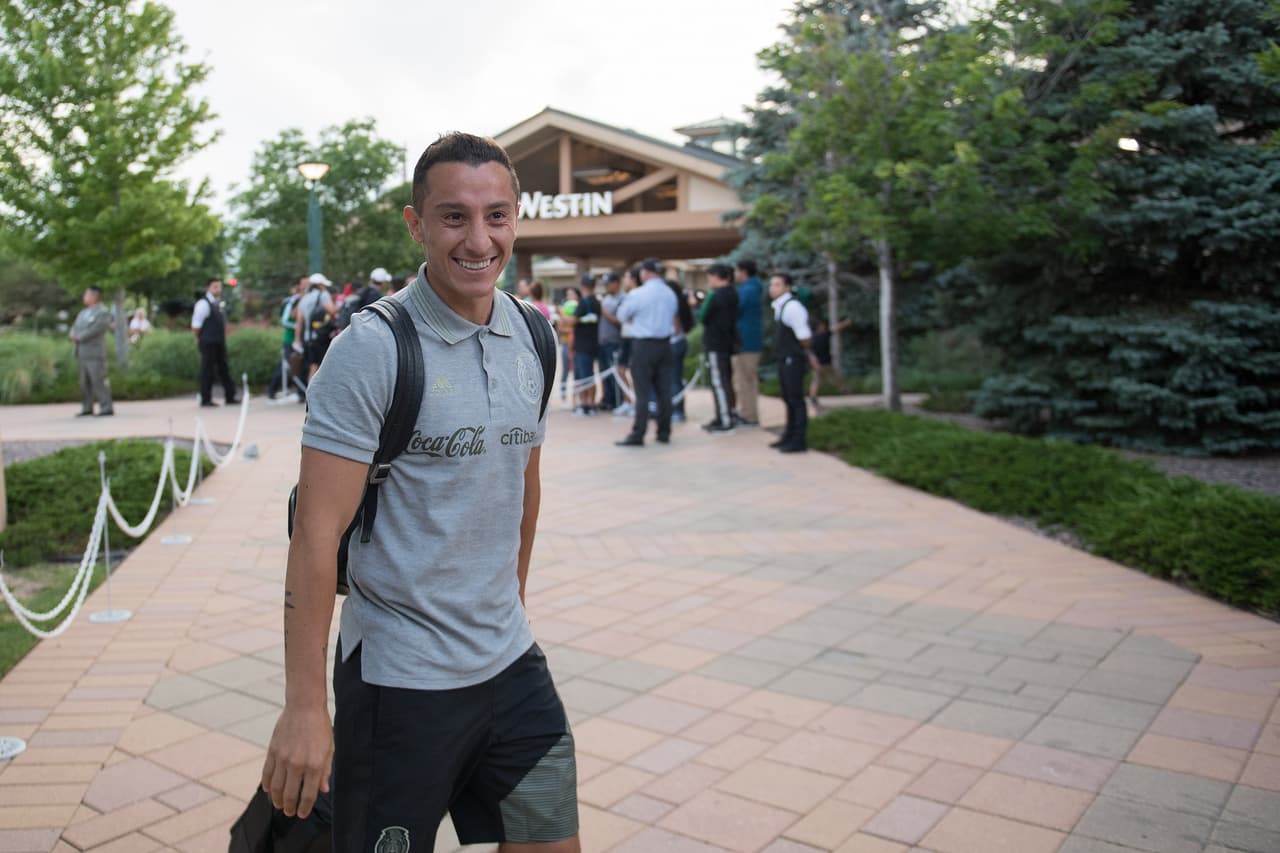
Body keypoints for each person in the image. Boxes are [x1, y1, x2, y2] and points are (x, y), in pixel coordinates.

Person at [261, 132, 580, 853]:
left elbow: (523, 486)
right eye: (453, 217)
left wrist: (512, 605)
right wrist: (306, 706)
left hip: (510, 662)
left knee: (553, 841)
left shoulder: (534, 335)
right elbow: (314, 533)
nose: (479, 238)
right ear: (416, 225)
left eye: (496, 216)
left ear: (517, 219)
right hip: (399, 681)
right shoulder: (372, 349)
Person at [615, 258, 677, 447]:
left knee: (642, 391)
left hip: (643, 345)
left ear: (645, 273)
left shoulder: (638, 294)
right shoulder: (669, 293)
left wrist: (636, 322)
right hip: (665, 344)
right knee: (664, 390)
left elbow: (622, 315)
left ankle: (638, 433)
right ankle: (664, 432)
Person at [770, 272, 814, 453]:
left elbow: (804, 336)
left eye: (777, 285)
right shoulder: (779, 307)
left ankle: (798, 439)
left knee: (795, 399)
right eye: (772, 285)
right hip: (785, 358)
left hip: (793, 359)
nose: (772, 288)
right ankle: (789, 435)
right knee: (788, 398)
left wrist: (796, 352)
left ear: (787, 287)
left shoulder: (792, 307)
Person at [700, 264, 739, 433]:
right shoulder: (733, 293)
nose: (709, 280)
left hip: (716, 343)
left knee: (719, 382)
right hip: (728, 343)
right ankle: (725, 414)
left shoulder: (715, 296)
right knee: (725, 380)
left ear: (717, 276)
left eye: (710, 276)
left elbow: (703, 316)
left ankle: (725, 419)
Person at [191, 277, 239, 408]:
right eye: (215, 287)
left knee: (224, 367)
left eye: (219, 286)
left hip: (219, 341)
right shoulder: (203, 304)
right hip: (207, 341)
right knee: (207, 369)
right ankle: (205, 398)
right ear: (209, 288)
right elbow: (196, 325)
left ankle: (230, 395)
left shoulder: (219, 304)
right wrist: (198, 338)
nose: (218, 289)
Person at [69, 285, 114, 417]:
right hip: (82, 352)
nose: (84, 297)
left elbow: (97, 328)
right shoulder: (83, 313)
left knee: (98, 380)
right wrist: (73, 334)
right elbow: (75, 327)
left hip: (95, 353)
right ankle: (87, 407)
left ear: (95, 296)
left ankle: (106, 407)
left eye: (86, 295)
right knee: (84, 382)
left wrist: (79, 337)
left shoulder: (103, 312)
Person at [732, 259, 764, 426]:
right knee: (745, 380)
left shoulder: (748, 290)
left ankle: (749, 415)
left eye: (736, 271)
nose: (735, 275)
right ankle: (746, 413)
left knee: (745, 380)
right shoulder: (752, 288)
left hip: (746, 342)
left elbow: (735, 310)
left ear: (743, 272)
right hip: (748, 341)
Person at [268, 278, 307, 401]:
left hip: (299, 340)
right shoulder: (293, 301)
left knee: (295, 365)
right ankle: (274, 390)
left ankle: (300, 393)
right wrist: (297, 326)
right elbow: (284, 320)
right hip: (290, 340)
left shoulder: (304, 299)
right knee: (290, 365)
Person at [294, 273, 335, 382]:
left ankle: (310, 395)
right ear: (320, 285)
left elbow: (299, 323)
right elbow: (331, 311)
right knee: (322, 366)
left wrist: (297, 340)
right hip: (320, 337)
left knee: (313, 366)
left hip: (308, 338)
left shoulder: (304, 298)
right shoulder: (323, 294)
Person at [571, 274, 601, 416]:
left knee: (583, 376)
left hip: (582, 345)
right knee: (589, 375)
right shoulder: (596, 302)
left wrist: (562, 316)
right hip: (593, 343)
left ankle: (585, 405)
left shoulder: (583, 302)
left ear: (582, 286)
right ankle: (590, 403)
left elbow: (572, 321)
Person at [809, 316, 853, 408]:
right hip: (826, 363)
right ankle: (843, 389)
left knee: (816, 381)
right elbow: (835, 328)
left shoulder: (812, 339)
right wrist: (846, 323)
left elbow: (811, 353)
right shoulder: (824, 334)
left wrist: (814, 363)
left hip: (817, 364)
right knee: (835, 376)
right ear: (819, 327)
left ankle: (813, 397)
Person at [597, 272, 623, 411]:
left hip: (614, 342)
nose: (607, 287)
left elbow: (621, 322)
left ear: (616, 283)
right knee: (604, 373)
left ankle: (617, 400)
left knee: (615, 373)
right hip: (603, 342)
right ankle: (607, 399)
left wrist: (605, 314)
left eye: (609, 284)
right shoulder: (606, 298)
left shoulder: (622, 299)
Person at [556, 287, 578, 404]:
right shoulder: (564, 311)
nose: (570, 297)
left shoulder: (578, 310)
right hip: (565, 343)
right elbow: (560, 330)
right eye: (568, 295)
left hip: (576, 345)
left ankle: (576, 398)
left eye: (572, 294)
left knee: (576, 372)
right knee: (565, 370)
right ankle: (563, 397)